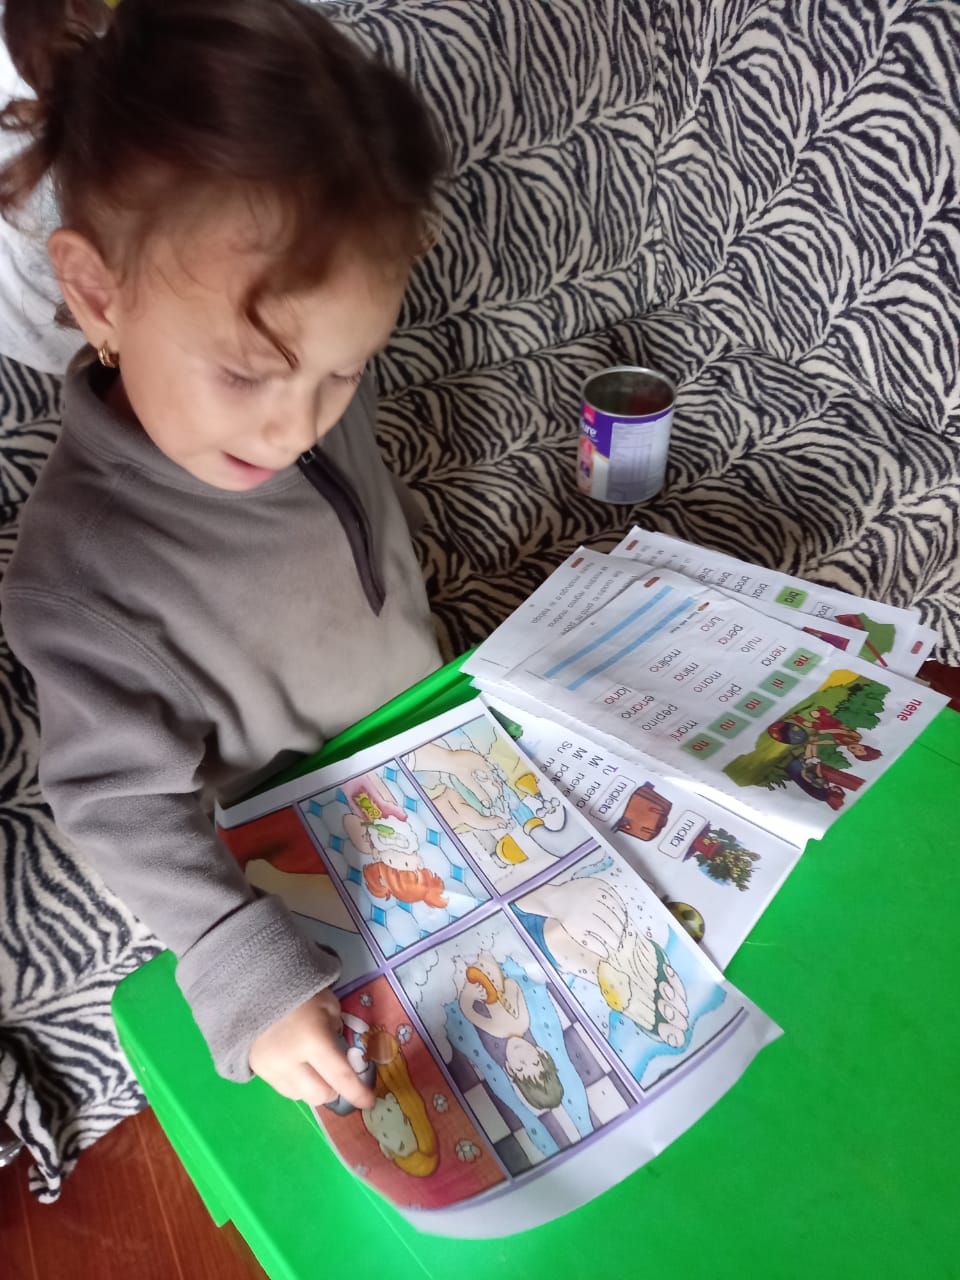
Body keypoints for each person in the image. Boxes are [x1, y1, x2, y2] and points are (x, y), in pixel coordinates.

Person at [0, 0, 447, 1112]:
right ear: (98, 295)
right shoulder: (78, 580)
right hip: (310, 835)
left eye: (345, 370)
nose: (296, 426)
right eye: (248, 372)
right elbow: (117, 805)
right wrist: (239, 963)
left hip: (439, 735)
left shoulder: (295, 384)